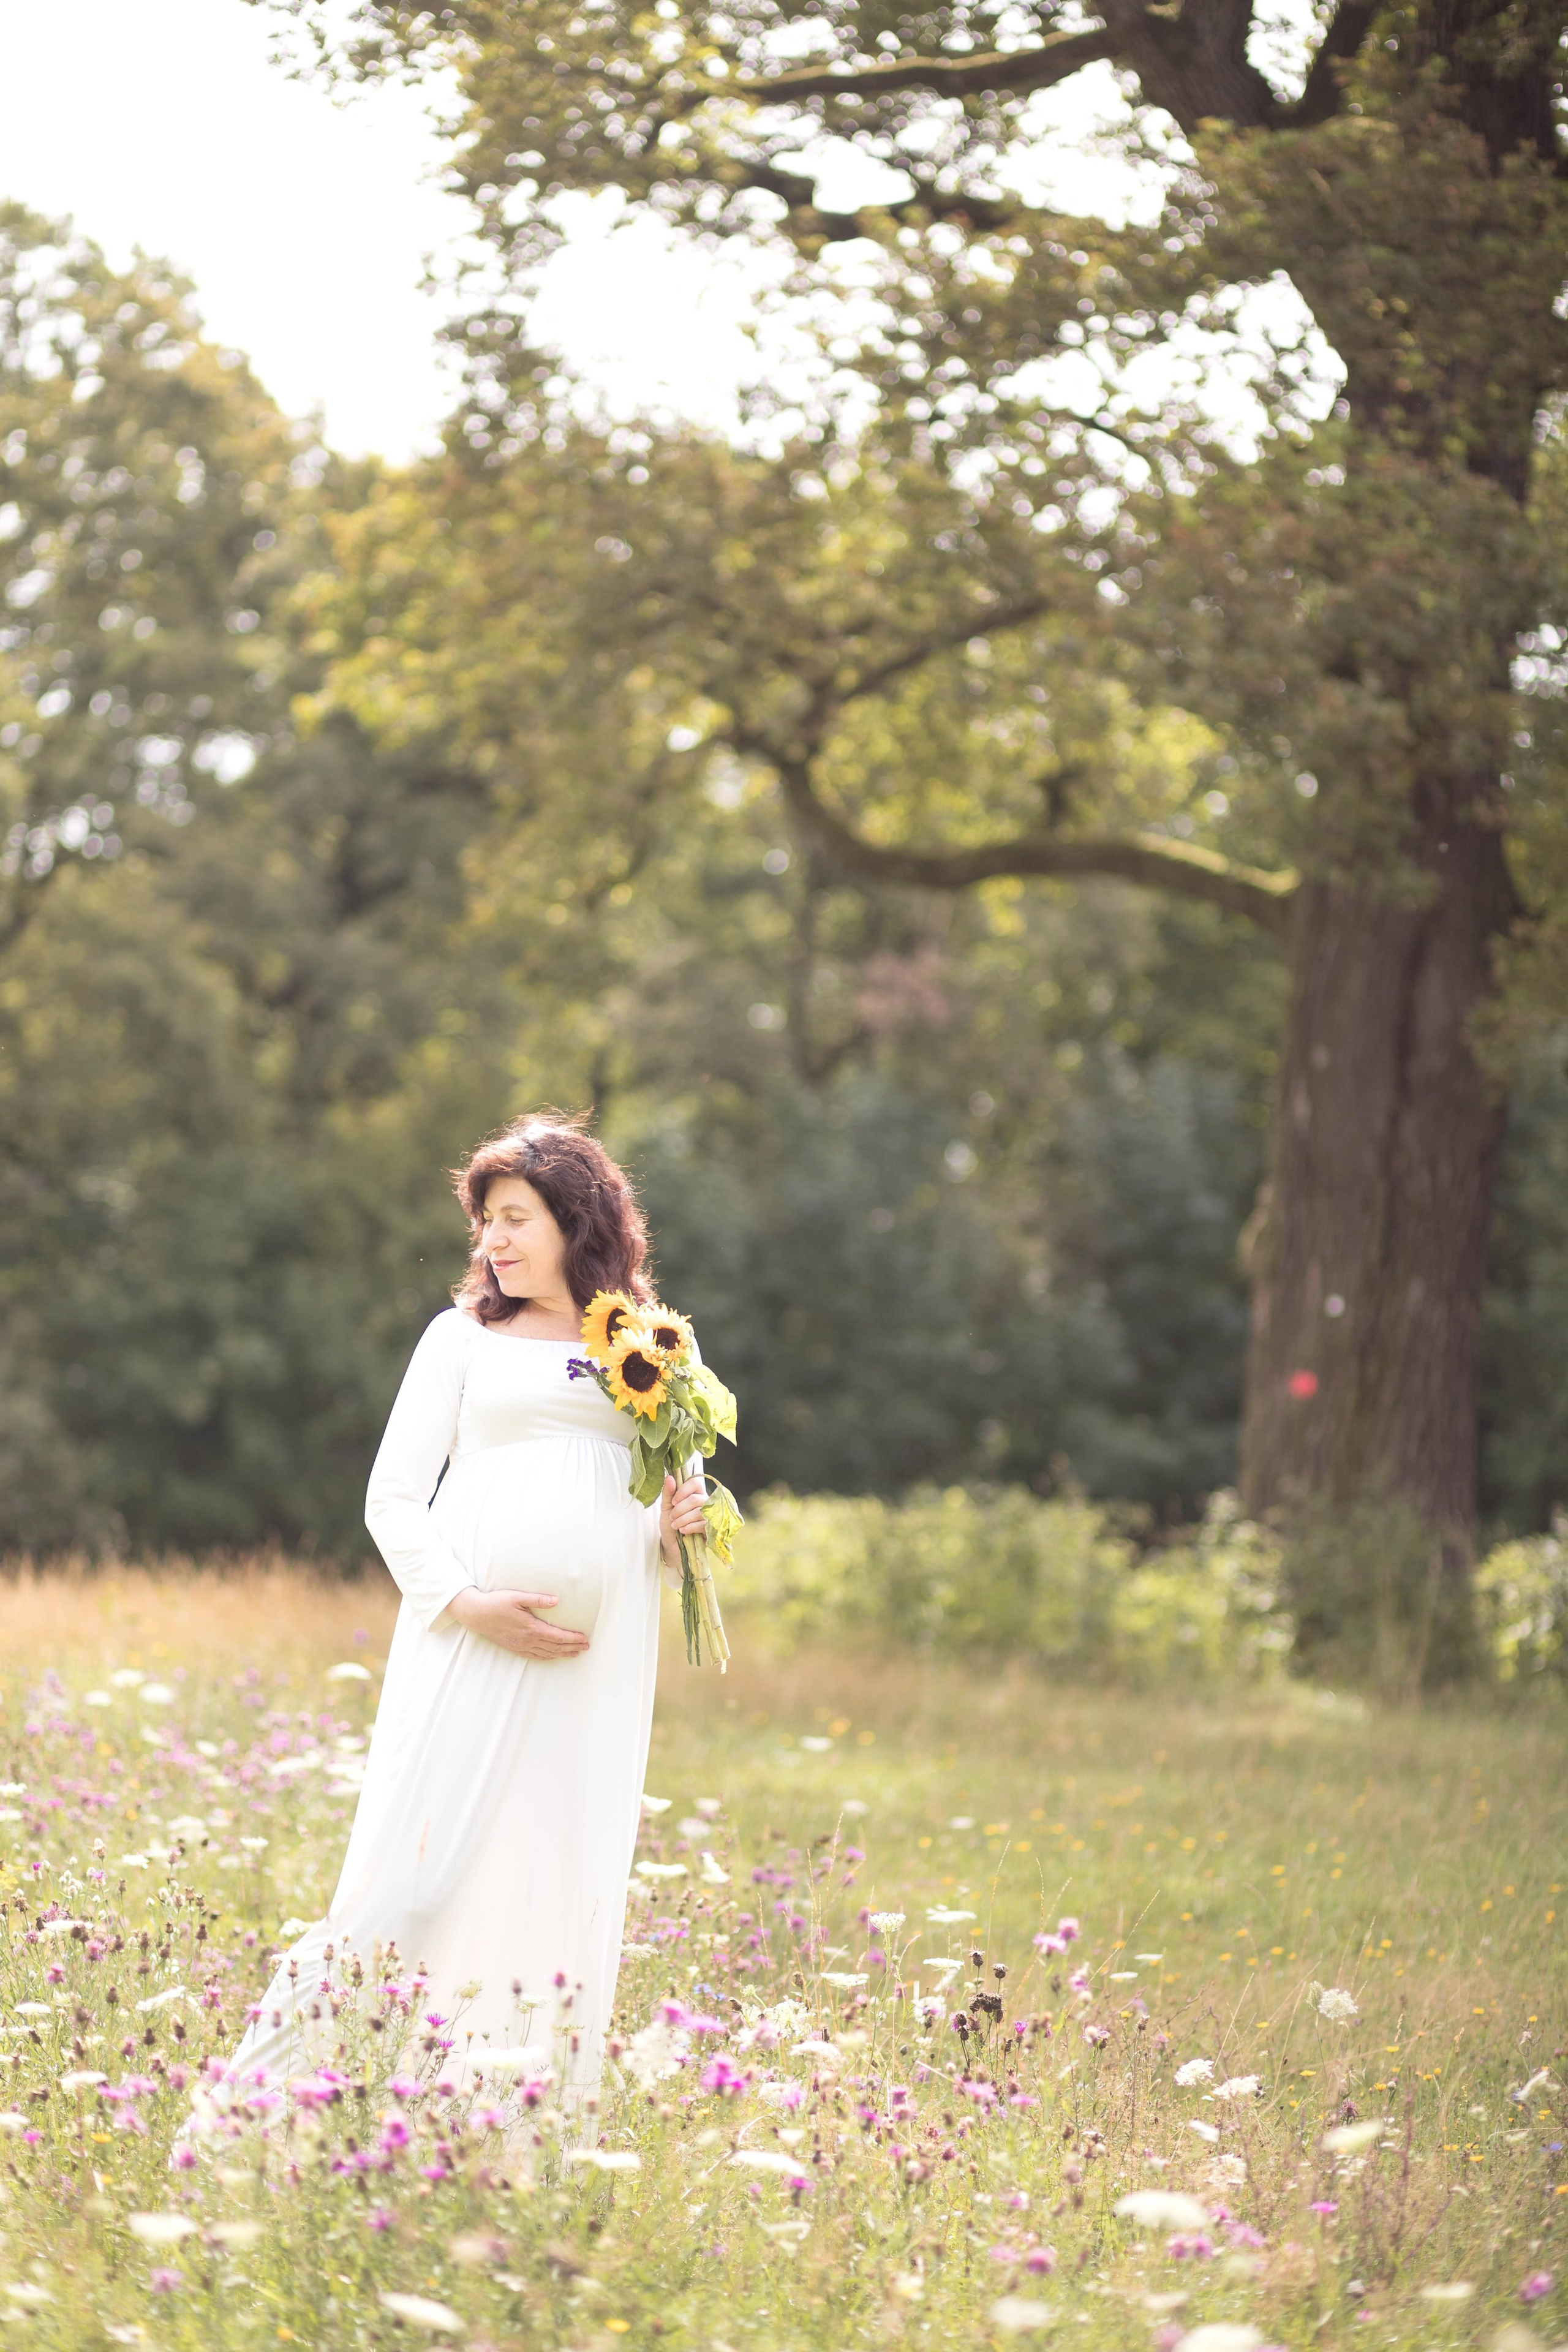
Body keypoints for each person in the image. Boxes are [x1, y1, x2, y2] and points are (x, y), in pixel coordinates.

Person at [218, 1114, 708, 2112]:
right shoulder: (460, 1340)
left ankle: (503, 2130)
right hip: (467, 1641)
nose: (495, 1239)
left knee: (553, 1881)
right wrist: (469, 1604)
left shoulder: (651, 1347)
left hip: (593, 1665)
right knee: (410, 1880)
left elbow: (674, 1522)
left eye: (517, 1218)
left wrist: (680, 1531)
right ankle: (256, 2111)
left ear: (578, 1222)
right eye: (487, 1220)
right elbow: (391, 1499)